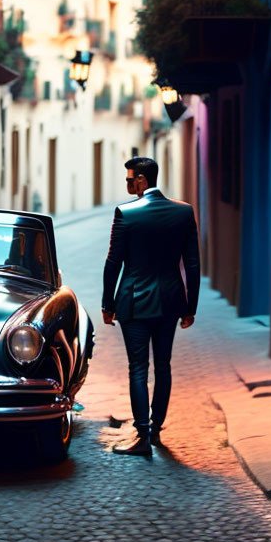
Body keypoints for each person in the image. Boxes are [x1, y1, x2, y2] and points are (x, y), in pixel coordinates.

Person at [101, 156, 200, 456]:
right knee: (164, 365)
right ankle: (156, 430)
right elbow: (192, 264)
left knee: (138, 368)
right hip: (170, 301)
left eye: (130, 180)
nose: (128, 185)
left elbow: (113, 263)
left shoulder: (126, 214)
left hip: (134, 302)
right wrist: (190, 307)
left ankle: (142, 436)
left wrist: (108, 304)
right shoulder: (184, 213)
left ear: (142, 181)